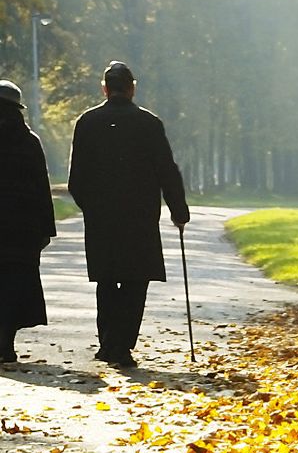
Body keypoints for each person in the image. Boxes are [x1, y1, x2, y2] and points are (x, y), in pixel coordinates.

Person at [68, 61, 189, 368]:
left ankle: (109, 342)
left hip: (102, 218)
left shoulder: (87, 122)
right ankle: (121, 345)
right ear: (132, 88)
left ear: (105, 88)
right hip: (140, 217)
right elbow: (166, 170)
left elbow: (76, 179)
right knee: (136, 280)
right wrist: (179, 210)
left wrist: (91, 208)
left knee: (106, 280)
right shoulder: (149, 123)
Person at [0, 80, 56, 363]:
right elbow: (41, 187)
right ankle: (6, 343)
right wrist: (47, 228)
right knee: (15, 284)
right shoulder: (29, 141)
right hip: (21, 230)